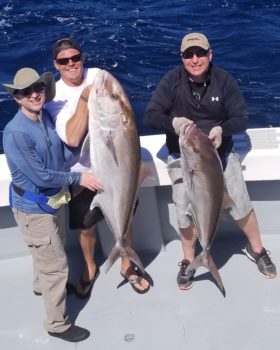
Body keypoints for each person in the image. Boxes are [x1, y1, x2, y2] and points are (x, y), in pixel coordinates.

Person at [143, 32, 277, 290]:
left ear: (210, 54)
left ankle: (257, 249)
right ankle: (189, 258)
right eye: (189, 55)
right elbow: (150, 115)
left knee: (240, 203)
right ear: (182, 58)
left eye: (200, 53)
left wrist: (221, 131)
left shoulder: (224, 81)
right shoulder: (171, 81)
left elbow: (241, 118)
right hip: (184, 159)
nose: (195, 59)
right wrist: (174, 123)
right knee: (183, 211)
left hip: (220, 157)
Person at [45, 37, 150, 296]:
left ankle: (126, 262)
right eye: (64, 60)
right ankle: (90, 268)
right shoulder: (53, 97)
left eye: (75, 58)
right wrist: (84, 100)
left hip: (118, 170)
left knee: (124, 218)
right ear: (55, 64)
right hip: (83, 176)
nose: (71, 64)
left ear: (83, 57)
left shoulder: (100, 75)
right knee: (86, 226)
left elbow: (123, 113)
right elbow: (71, 138)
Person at [3, 67, 100, 342]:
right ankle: (57, 324)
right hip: (35, 209)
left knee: (45, 255)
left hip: (54, 202)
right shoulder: (16, 134)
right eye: (25, 92)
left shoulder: (44, 116)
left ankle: (40, 286)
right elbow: (42, 176)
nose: (34, 94)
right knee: (56, 266)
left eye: (37, 88)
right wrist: (80, 176)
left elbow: (60, 154)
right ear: (16, 98)